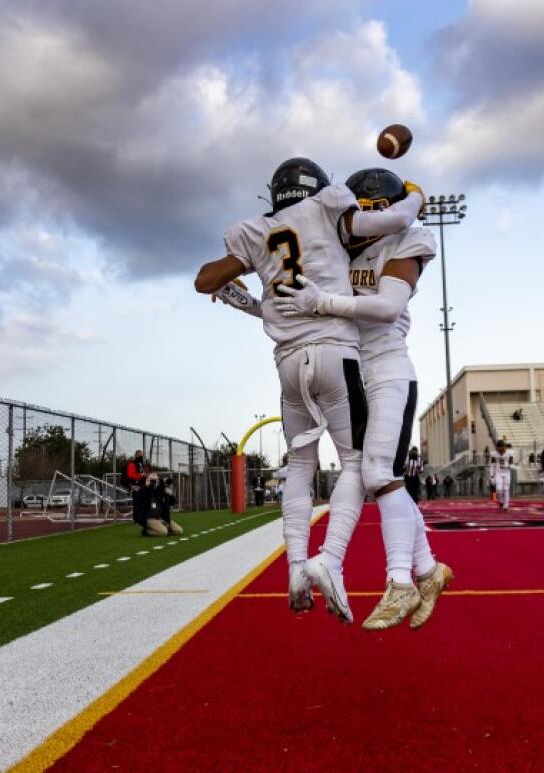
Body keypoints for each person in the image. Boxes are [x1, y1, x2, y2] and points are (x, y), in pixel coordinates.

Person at [196, 156, 424, 622]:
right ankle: (331, 560)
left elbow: (206, 281)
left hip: (286, 365)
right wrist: (416, 194)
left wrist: (240, 287)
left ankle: (296, 568)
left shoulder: (257, 230)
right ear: (319, 188)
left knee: (299, 465)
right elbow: (397, 218)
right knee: (359, 465)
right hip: (336, 355)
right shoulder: (328, 207)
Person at [266, 165, 454, 630]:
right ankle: (428, 569)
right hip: (351, 369)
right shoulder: (332, 248)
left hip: (387, 369)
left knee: (375, 472)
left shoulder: (406, 243)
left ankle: (401, 582)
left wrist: (324, 304)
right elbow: (295, 301)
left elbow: (387, 305)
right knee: (372, 474)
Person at [488, 439, 515, 512]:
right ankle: (501, 501)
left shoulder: (509, 453)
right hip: (498, 473)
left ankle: (506, 506)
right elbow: (492, 465)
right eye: (500, 449)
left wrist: (511, 466)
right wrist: (491, 475)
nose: (501, 451)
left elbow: (511, 463)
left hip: (507, 473)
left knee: (506, 489)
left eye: (502, 449)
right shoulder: (494, 454)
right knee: (499, 490)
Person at [125, 450, 149, 524]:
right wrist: (140, 475)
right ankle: (136, 519)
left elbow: (146, 473)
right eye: (139, 455)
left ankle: (143, 517)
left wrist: (146, 475)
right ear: (136, 455)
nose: (141, 457)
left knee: (144, 503)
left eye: (142, 455)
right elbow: (130, 475)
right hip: (136, 485)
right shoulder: (132, 464)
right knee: (137, 503)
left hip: (143, 485)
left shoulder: (142, 464)